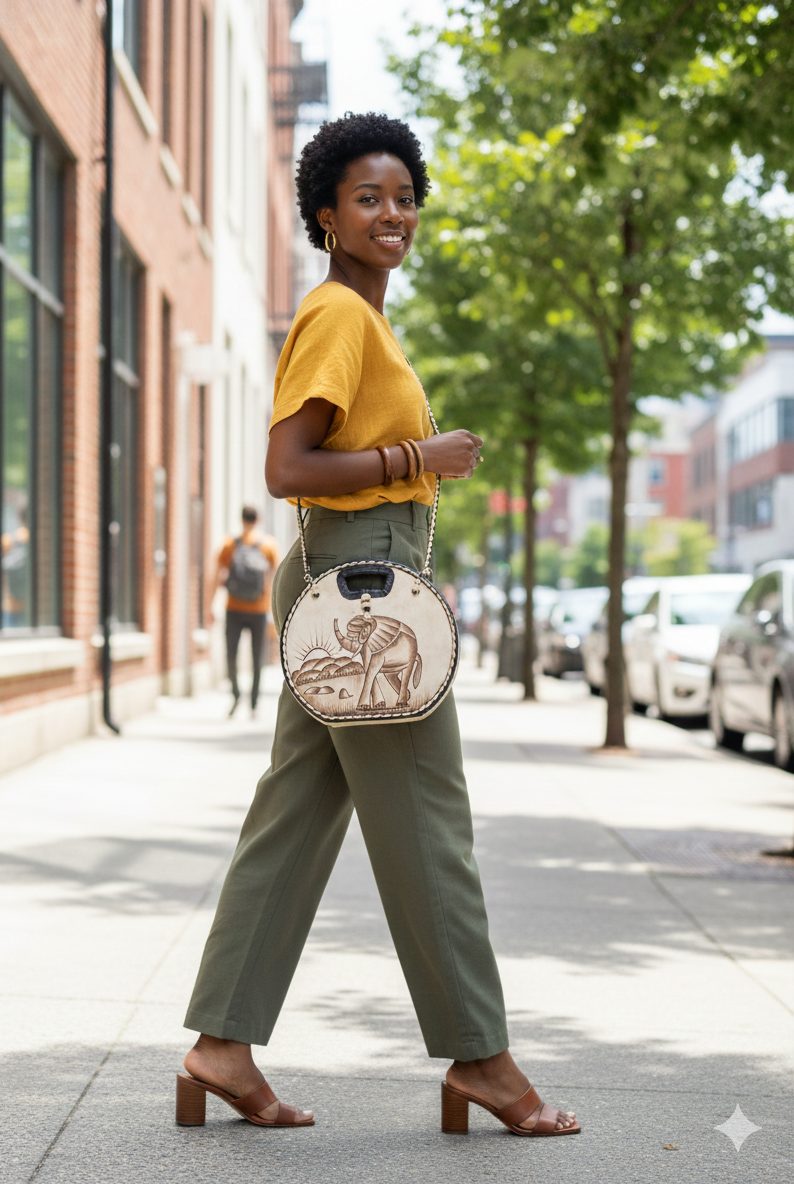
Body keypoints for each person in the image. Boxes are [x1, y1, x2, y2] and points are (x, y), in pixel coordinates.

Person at [177, 113, 580, 1139]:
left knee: (295, 810)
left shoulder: (362, 317)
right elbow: (287, 469)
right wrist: (419, 460)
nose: (392, 211)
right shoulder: (339, 317)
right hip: (366, 579)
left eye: (403, 195)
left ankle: (221, 1042)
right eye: (368, 196)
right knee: (429, 819)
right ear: (326, 214)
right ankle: (482, 1057)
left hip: (360, 574)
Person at [208, 507, 279, 718]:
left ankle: (236, 695)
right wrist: (274, 612)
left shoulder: (229, 544)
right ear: (258, 520)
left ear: (241, 519)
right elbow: (274, 580)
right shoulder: (269, 545)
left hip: (233, 608)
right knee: (258, 658)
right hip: (259, 610)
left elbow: (218, 576)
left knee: (231, 655)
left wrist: (210, 607)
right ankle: (254, 703)